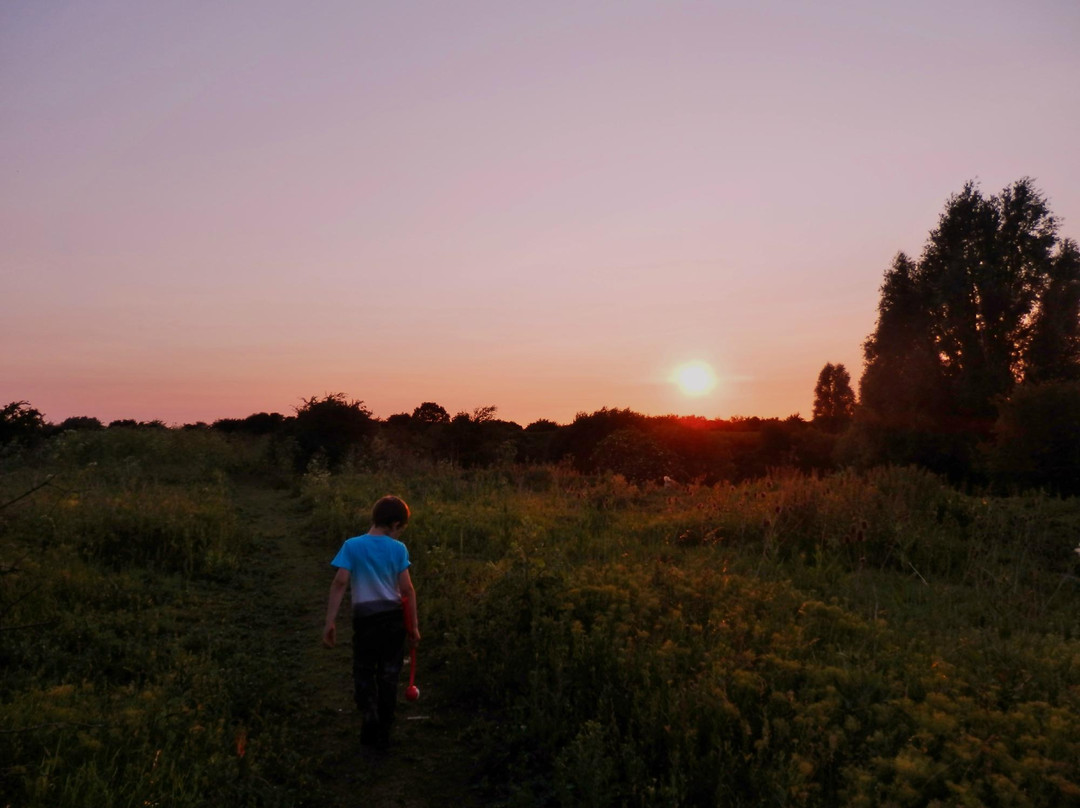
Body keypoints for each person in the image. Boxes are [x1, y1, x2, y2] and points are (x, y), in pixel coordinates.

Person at [323, 495, 421, 748]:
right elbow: (407, 591)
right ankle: (385, 723)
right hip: (393, 621)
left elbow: (340, 582)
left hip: (365, 621)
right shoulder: (398, 549)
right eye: (401, 529)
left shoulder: (352, 546)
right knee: (389, 673)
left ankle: (369, 712)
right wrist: (414, 627)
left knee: (364, 669)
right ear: (395, 524)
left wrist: (330, 622)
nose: (400, 534)